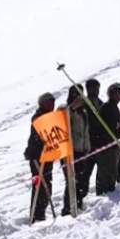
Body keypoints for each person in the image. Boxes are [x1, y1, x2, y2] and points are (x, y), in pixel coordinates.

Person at [25, 92, 57, 222]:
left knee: (46, 184)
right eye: (49, 101)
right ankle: (36, 214)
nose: (52, 104)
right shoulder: (39, 116)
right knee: (39, 185)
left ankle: (40, 212)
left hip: (46, 155)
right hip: (37, 156)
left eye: (53, 101)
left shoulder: (49, 116)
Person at [95, 83, 120, 195]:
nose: (119, 96)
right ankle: (102, 192)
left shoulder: (114, 107)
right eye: (116, 93)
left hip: (114, 144)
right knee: (105, 170)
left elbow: (115, 125)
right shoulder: (106, 107)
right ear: (111, 94)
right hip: (106, 144)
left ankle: (110, 189)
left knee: (112, 170)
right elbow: (108, 126)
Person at [62, 85, 92, 215]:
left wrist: (87, 147)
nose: (77, 97)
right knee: (72, 181)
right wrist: (71, 108)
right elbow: (61, 119)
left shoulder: (84, 111)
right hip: (70, 151)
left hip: (82, 149)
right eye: (75, 93)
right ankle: (68, 209)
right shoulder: (65, 108)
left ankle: (78, 204)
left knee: (82, 181)